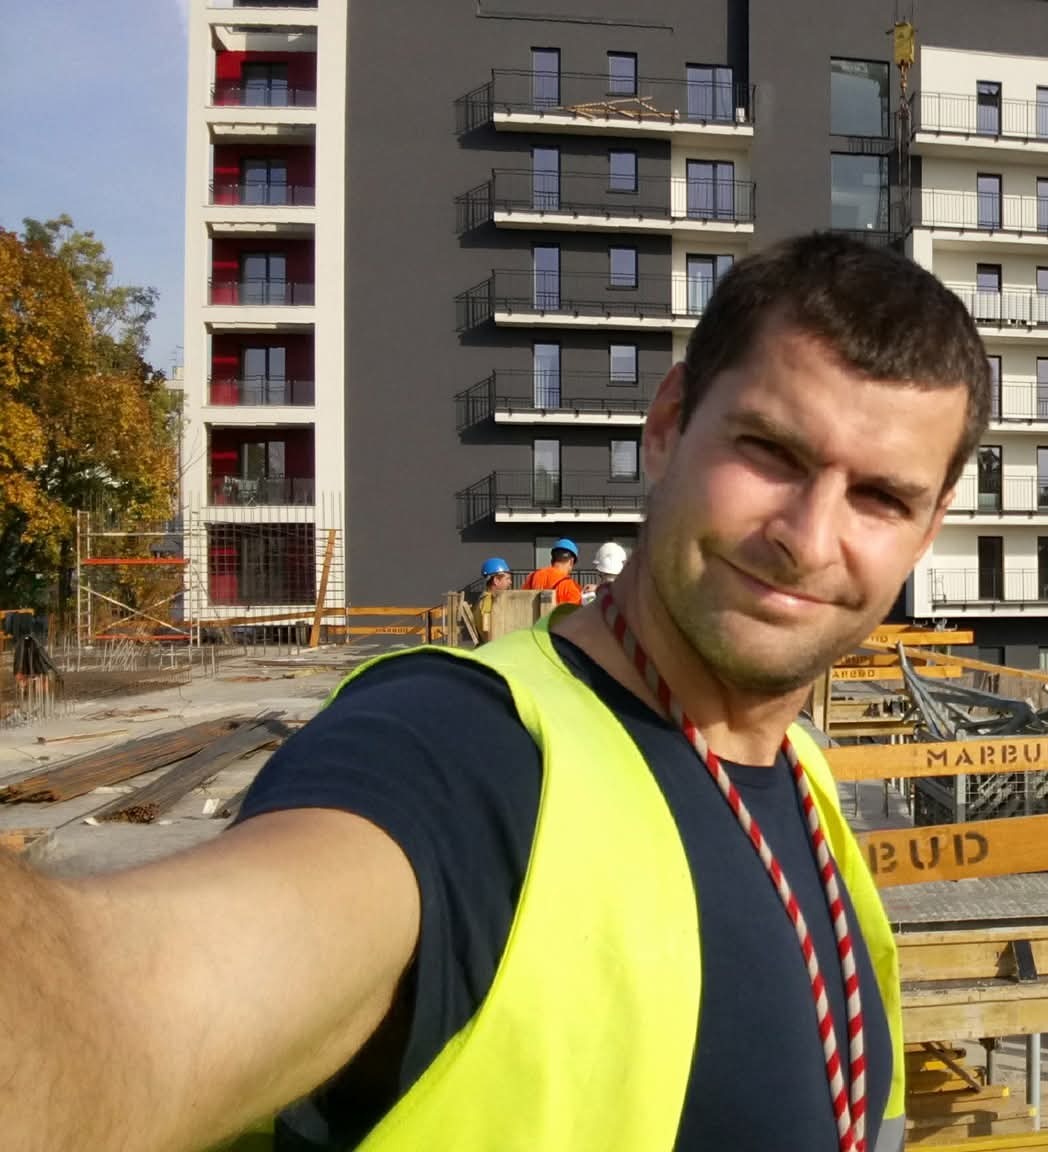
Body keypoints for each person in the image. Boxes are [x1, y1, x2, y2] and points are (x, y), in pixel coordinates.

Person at [0, 231, 992, 1152]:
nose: (809, 540)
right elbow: (129, 1007)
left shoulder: (802, 779)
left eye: (880, 497)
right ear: (665, 427)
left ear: (930, 525)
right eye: (770, 452)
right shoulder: (459, 756)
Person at [525, 538, 584, 608]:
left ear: (552, 560)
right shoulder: (571, 587)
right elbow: (576, 612)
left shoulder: (531, 577)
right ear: (571, 561)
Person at [475, 557, 513, 642]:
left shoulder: (487, 599)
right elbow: (487, 628)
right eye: (507, 578)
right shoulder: (488, 601)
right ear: (496, 580)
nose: (510, 582)